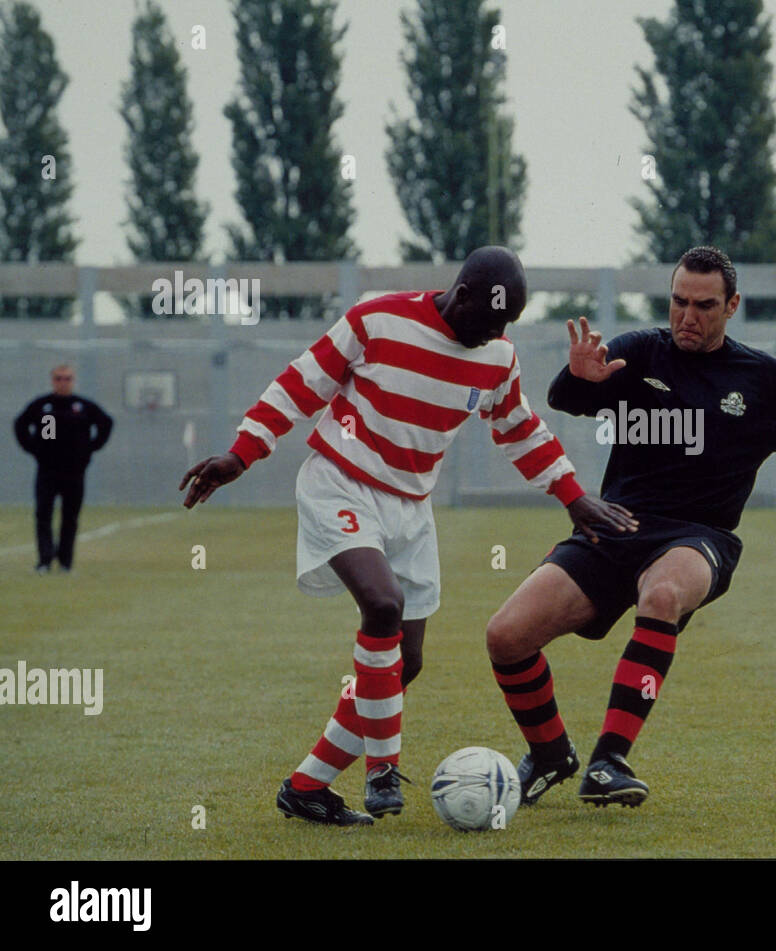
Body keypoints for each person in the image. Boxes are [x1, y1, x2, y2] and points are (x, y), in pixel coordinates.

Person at [178, 247, 636, 826]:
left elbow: (518, 427)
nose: (494, 333)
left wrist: (574, 497)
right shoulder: (378, 321)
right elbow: (301, 384)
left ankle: (307, 786)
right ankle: (381, 768)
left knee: (407, 662)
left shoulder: (496, 354)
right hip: (339, 485)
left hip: (410, 510)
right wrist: (241, 455)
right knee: (383, 605)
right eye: (488, 319)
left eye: (506, 324)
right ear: (461, 293)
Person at [484, 246, 776, 808]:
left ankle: (609, 761)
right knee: (506, 636)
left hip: (698, 536)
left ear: (731, 305)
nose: (688, 315)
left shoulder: (764, 382)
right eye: (679, 301)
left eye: (704, 305)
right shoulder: (639, 352)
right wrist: (576, 378)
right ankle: (550, 753)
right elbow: (569, 400)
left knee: (661, 594)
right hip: (615, 526)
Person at [13, 364, 114, 573]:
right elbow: (20, 424)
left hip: (74, 472)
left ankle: (66, 562)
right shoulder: (43, 406)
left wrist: (91, 448)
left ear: (73, 381)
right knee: (43, 515)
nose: (63, 382)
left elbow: (106, 422)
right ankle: (44, 561)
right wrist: (33, 448)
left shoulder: (82, 406)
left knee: (70, 517)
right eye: (58, 378)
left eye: (67, 378)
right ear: (52, 380)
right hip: (47, 471)